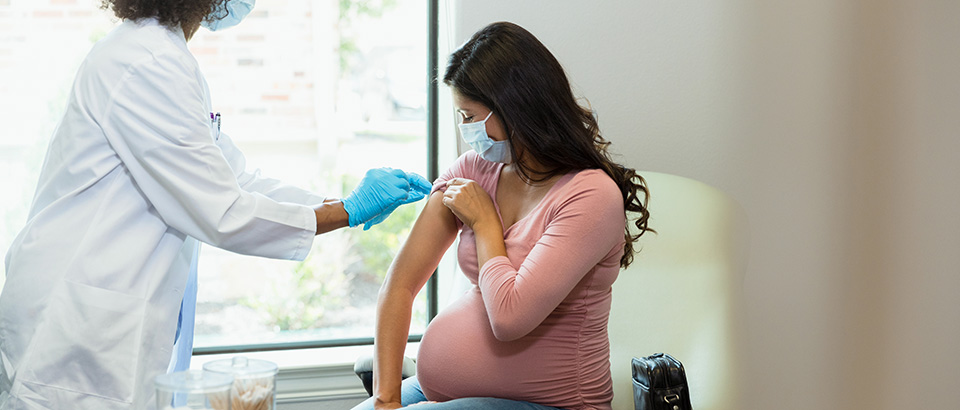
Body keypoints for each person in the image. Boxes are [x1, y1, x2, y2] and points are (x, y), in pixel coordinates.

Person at [0, 1, 430, 409]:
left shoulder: (164, 55)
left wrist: (341, 202)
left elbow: (235, 178)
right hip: (73, 330)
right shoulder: (146, 62)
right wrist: (346, 212)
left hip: (103, 318)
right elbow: (222, 211)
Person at [354, 22, 653, 410]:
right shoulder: (474, 169)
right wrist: (386, 399)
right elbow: (399, 286)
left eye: (470, 116)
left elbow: (510, 319)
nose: (466, 132)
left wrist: (484, 224)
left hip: (555, 405)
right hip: (447, 394)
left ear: (515, 109)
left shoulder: (591, 196)